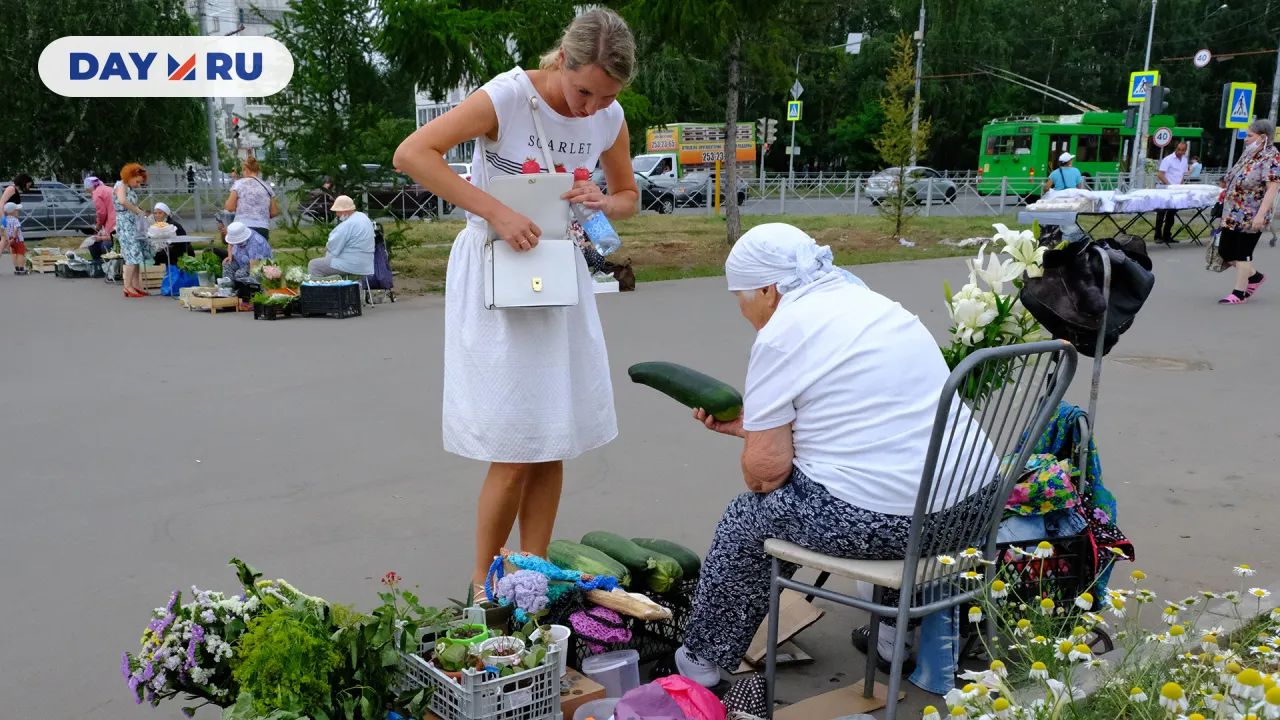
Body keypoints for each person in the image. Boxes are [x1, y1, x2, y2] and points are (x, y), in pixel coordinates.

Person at [671, 223, 997, 689]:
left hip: (893, 525)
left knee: (747, 518)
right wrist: (757, 426)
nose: (742, 312)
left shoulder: (782, 333)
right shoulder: (876, 305)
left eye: (739, 298)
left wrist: (757, 442)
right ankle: (892, 639)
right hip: (972, 511)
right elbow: (867, 427)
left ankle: (700, 662)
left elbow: (766, 475)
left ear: (767, 289)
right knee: (877, 479)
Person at [392, 8, 640, 598]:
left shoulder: (610, 116)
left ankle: (530, 575)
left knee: (555, 434)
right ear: (563, 60)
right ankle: (483, 587)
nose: (588, 110)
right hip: (498, 272)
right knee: (513, 442)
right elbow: (413, 154)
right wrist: (496, 212)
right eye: (583, 92)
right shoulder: (506, 97)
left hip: (561, 271)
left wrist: (603, 200)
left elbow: (628, 194)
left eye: (604, 99)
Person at [1217, 119, 1279, 305]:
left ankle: (1239, 293)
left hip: (1251, 214)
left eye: (1249, 135)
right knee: (1225, 252)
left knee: (1242, 253)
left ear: (1262, 137)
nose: (1245, 139)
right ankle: (1255, 277)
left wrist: (1261, 215)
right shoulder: (1250, 154)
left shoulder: (1271, 156)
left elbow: (1273, 188)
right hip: (1232, 212)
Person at [308, 195, 374, 278]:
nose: (336, 214)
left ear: (345, 210)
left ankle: (321, 289)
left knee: (314, 265)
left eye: (338, 211)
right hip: (366, 263)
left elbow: (332, 248)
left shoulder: (347, 225)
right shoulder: (363, 217)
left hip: (351, 264)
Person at [113, 163, 151, 298]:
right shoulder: (121, 185)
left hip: (132, 223)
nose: (138, 185)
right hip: (125, 225)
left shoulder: (128, 187)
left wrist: (140, 212)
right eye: (137, 181)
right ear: (130, 176)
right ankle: (127, 286)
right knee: (131, 255)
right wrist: (138, 211)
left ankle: (136, 285)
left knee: (137, 255)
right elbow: (122, 201)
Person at [222, 221, 273, 309]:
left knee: (240, 274)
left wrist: (246, 282)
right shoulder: (237, 235)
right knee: (227, 265)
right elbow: (230, 243)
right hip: (241, 262)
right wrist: (229, 255)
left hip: (259, 266)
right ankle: (228, 294)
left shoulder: (255, 242)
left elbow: (254, 267)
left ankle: (244, 297)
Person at [224, 155, 276, 240]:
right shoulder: (267, 187)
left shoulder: (238, 184)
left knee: (239, 252)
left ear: (246, 170)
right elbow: (274, 212)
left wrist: (227, 203)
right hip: (262, 228)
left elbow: (230, 207)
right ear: (258, 171)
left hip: (242, 228)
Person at [1154, 141, 1189, 244]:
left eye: (1183, 150)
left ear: (1185, 151)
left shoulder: (1184, 161)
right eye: (1179, 149)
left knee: (1171, 214)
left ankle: (1167, 235)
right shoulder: (1168, 159)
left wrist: (1180, 186)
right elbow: (1160, 175)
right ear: (1175, 149)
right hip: (1166, 189)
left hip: (1176, 191)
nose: (1180, 152)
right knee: (1161, 214)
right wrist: (1170, 185)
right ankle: (1158, 236)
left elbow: (1182, 175)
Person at [85, 176, 116, 276]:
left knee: (101, 244)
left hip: (113, 223)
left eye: (88, 190)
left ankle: (102, 268)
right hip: (116, 221)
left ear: (91, 187)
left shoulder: (97, 193)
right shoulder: (108, 189)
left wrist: (97, 227)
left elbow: (101, 213)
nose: (89, 193)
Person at [150, 202, 193, 266]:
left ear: (166, 214)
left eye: (160, 213)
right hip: (167, 251)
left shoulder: (173, 225)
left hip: (178, 252)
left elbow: (183, 243)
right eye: (155, 213)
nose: (157, 215)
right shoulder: (157, 225)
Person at [0, 202, 27, 274]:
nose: (18, 212)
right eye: (17, 210)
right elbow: (16, 229)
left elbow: (2, 230)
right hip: (18, 240)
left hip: (9, 240)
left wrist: (6, 239)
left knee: (14, 254)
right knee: (20, 253)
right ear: (13, 212)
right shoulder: (15, 220)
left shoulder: (4, 220)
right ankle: (21, 269)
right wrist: (13, 237)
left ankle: (16, 268)